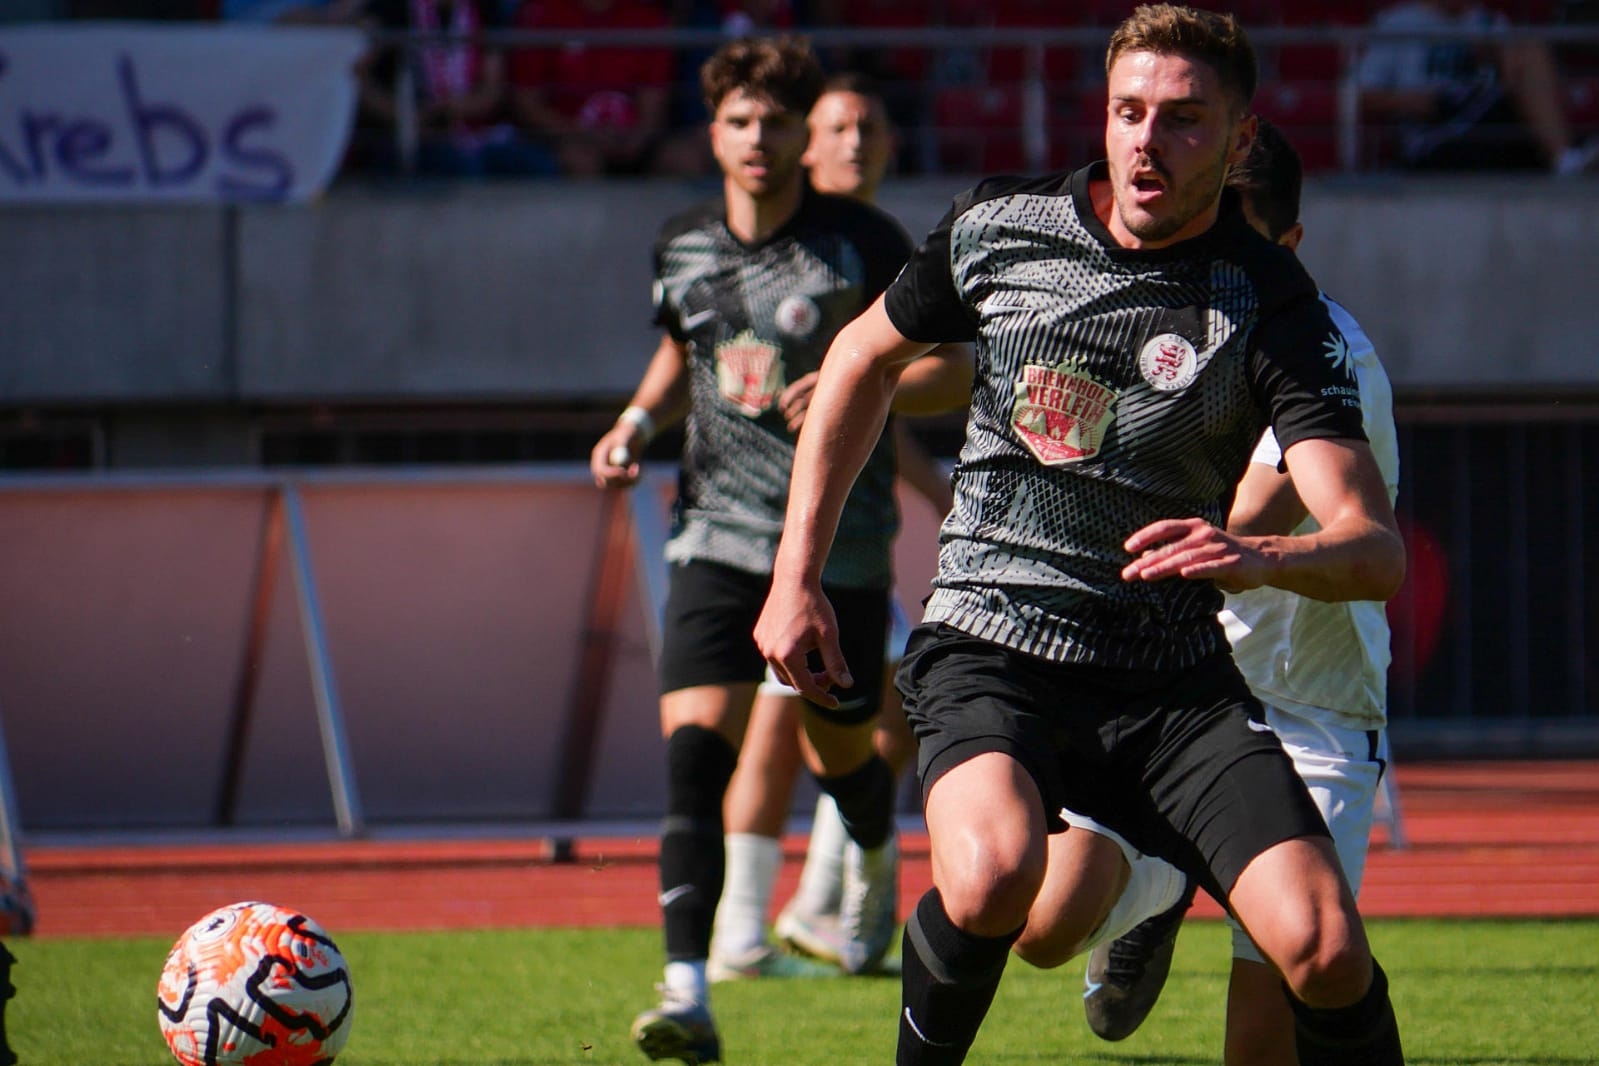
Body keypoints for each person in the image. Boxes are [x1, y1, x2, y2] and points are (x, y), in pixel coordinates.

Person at [754, 6, 1408, 1065]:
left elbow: (1373, 546)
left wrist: (1257, 555)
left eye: (1184, 119)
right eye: (1128, 112)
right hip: (993, 645)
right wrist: (798, 577)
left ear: (1239, 138)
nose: (1148, 142)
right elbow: (859, 360)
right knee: (997, 881)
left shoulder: (1271, 302)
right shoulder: (1000, 225)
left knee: (1325, 949)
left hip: (1171, 682)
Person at [590, 36, 969, 1065]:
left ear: (804, 136)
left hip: (838, 548)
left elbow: (953, 369)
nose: (759, 137)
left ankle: (875, 845)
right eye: (740, 121)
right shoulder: (681, 243)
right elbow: (683, 349)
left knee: (840, 751)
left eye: (777, 121)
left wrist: (859, 379)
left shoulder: (863, 243)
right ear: (713, 134)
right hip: (713, 534)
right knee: (693, 759)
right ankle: (686, 988)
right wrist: (634, 422)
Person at [1009, 118, 1404, 1066]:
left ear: (1289, 244)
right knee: (1041, 928)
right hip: (1176, 691)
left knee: (1268, 1026)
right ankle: (1161, 893)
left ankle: (1193, 878)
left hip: (1310, 709)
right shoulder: (1151, 326)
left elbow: (1234, 514)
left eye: (1239, 230)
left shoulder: (1320, 351)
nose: (1215, 253)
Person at [708, 72, 953, 981]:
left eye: (871, 127)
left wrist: (927, 477)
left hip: (856, 536)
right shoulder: (778, 246)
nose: (855, 142)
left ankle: (817, 902)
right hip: (771, 531)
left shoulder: (880, 247)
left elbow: (925, 382)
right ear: (804, 143)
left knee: (880, 720)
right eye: (838, 126)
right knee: (783, 723)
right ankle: (738, 928)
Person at [1354, 0, 1598, 175]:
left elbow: (1516, 71)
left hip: (1484, 123)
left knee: (1527, 50)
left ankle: (1567, 159)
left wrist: (1496, 57)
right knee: (1528, 52)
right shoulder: (1400, 22)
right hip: (1434, 137)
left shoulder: (1485, 20)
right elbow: (1359, 94)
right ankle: (1567, 160)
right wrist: (1409, 101)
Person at [356, 0, 560, 178]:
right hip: (406, 134)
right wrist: (407, 116)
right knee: (460, 165)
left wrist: (454, 108)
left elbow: (492, 89)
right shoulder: (393, 8)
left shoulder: (485, 8)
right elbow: (358, 76)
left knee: (537, 165)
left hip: (471, 130)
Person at [506, 0, 679, 177]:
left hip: (633, 141)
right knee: (581, 161)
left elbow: (654, 98)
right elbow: (527, 101)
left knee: (679, 159)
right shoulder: (541, 12)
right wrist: (581, 134)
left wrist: (636, 140)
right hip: (564, 138)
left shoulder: (648, 16)